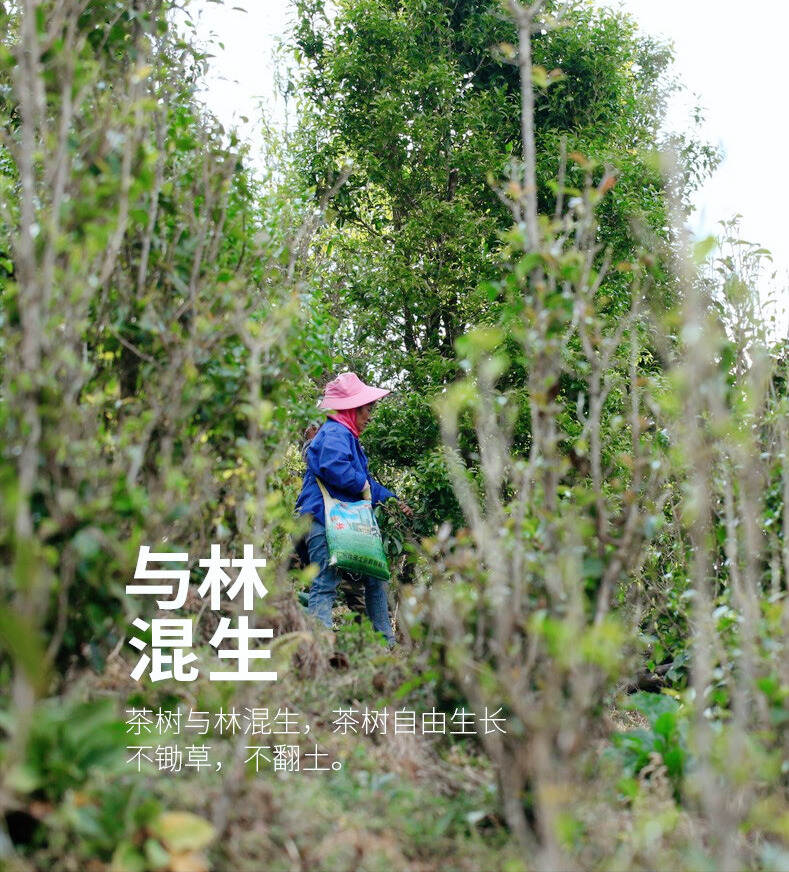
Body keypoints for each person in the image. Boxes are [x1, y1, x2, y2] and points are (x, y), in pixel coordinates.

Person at [296, 371, 412, 646]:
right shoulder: (335, 432)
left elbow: (366, 483)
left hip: (340, 524)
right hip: (325, 521)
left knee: (374, 580)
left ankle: (386, 644)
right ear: (351, 409)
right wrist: (363, 485)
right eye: (367, 409)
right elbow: (334, 467)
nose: (370, 416)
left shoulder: (345, 436)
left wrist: (392, 500)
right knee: (325, 584)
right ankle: (321, 650)